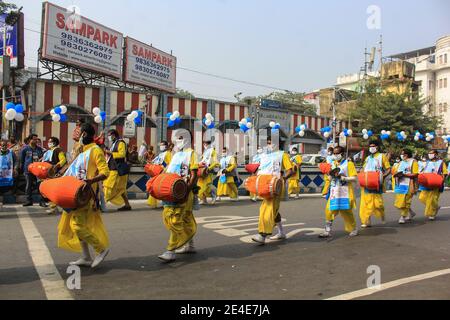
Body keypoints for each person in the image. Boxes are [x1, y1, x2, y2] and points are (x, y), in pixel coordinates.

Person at [57, 123, 110, 268]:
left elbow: (105, 172)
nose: (76, 135)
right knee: (77, 225)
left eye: (78, 133)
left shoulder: (95, 151)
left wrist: (91, 180)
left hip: (85, 195)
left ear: (84, 134)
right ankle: (86, 257)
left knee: (78, 226)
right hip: (74, 194)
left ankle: (101, 249)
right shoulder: (82, 150)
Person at [158, 132, 198, 262]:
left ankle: (170, 250)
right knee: (184, 218)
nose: (178, 141)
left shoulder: (192, 154)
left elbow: (194, 174)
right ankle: (189, 245)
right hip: (172, 190)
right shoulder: (175, 154)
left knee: (176, 220)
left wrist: (186, 191)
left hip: (183, 191)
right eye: (178, 139)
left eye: (181, 139)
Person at [252, 138, 294, 244]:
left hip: (275, 186)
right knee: (273, 209)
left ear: (277, 144)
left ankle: (262, 234)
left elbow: (291, 170)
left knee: (267, 209)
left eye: (270, 143)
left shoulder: (282, 155)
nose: (268, 145)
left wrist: (282, 179)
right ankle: (281, 232)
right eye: (268, 143)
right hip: (265, 185)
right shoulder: (265, 156)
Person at [319, 146, 358, 238]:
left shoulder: (349, 164)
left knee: (346, 211)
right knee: (329, 210)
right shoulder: (332, 164)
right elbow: (328, 177)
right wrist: (330, 176)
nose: (336, 155)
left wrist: (344, 178)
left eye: (337, 153)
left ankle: (353, 228)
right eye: (334, 153)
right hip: (334, 191)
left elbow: (354, 178)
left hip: (345, 191)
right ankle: (327, 230)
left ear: (343, 154)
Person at [359, 140, 391, 228]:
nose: (371, 148)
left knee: (378, 203)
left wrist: (382, 177)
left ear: (377, 147)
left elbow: (388, 169)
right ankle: (366, 220)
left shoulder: (382, 156)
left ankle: (382, 215)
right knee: (365, 202)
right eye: (370, 146)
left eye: (373, 146)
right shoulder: (367, 158)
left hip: (376, 183)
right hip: (366, 182)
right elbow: (363, 169)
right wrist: (360, 175)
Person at [103, 130, 132, 212]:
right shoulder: (114, 143)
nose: (109, 137)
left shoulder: (121, 143)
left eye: (109, 135)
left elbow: (122, 154)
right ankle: (127, 205)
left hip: (117, 169)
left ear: (114, 135)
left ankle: (102, 204)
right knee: (121, 189)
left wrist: (110, 153)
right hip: (113, 168)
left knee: (108, 186)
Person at [418, 150, 448, 221]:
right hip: (427, 183)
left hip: (436, 183)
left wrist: (441, 180)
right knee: (421, 197)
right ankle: (436, 207)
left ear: (436, 154)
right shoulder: (427, 162)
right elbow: (422, 171)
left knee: (432, 198)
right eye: (429, 153)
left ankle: (432, 213)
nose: (429, 154)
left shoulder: (441, 162)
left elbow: (444, 173)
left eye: (431, 153)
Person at [43, 137, 68, 215]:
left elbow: (63, 160)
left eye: (50, 142)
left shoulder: (58, 150)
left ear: (54, 143)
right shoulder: (49, 151)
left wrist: (56, 166)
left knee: (53, 190)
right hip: (50, 173)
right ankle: (54, 206)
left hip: (56, 173)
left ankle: (53, 207)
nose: (48, 143)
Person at [20, 134, 46, 207]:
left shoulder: (39, 149)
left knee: (40, 186)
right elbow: (21, 160)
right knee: (28, 185)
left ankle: (42, 201)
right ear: (29, 140)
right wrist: (22, 171)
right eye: (34, 139)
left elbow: (42, 159)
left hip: (38, 171)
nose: (36, 141)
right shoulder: (25, 149)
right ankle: (28, 201)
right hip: (28, 171)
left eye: (36, 139)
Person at [394, 149, 419, 224]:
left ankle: (403, 216)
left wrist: (404, 174)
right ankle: (411, 212)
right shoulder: (401, 162)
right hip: (400, 184)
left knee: (406, 201)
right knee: (399, 202)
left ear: (407, 154)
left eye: (403, 154)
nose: (401, 155)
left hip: (409, 183)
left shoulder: (413, 162)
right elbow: (396, 171)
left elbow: (415, 173)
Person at [147, 141, 172, 209]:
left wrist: (165, 170)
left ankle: (165, 203)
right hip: (158, 173)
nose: (161, 146)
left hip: (164, 173)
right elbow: (155, 161)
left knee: (162, 188)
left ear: (166, 146)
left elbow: (170, 163)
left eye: (162, 145)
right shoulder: (161, 154)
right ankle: (155, 202)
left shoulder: (168, 153)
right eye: (160, 145)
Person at [198, 140, 219, 205]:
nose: (204, 145)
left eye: (206, 143)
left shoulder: (213, 151)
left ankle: (213, 195)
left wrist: (209, 168)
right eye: (204, 143)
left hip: (208, 171)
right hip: (202, 171)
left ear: (209, 144)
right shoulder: (205, 152)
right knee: (199, 185)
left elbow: (215, 162)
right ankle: (203, 199)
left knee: (206, 186)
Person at [0, 140, 18, 209]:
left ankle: (14, 194)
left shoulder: (11, 152)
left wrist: (15, 169)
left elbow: (16, 161)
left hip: (9, 173)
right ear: (0, 146)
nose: (4, 146)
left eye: (5, 145)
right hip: (1, 173)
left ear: (7, 145)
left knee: (12, 182)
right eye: (2, 145)